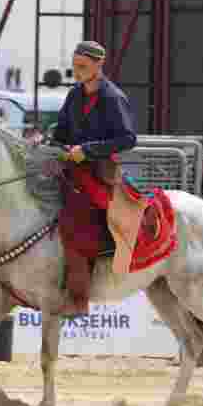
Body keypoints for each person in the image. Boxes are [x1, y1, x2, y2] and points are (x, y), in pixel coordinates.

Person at [51, 40, 139, 316]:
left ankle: (83, 290)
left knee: (84, 219)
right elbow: (62, 131)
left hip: (100, 172)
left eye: (82, 67)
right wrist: (49, 140)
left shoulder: (113, 97)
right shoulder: (74, 95)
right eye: (75, 67)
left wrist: (88, 150)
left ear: (99, 65)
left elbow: (128, 139)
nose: (77, 72)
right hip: (70, 168)